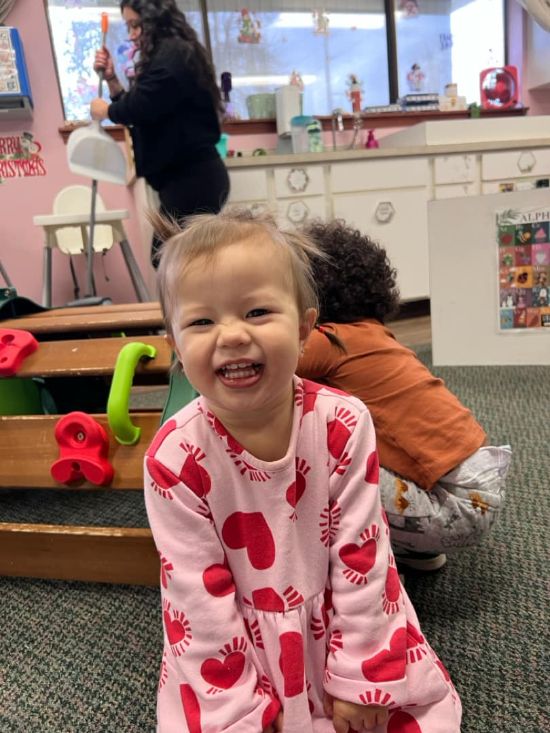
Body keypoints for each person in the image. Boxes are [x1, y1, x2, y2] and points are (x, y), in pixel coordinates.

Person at [144, 209, 462, 732]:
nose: (231, 335)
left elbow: (365, 560)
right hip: (237, 648)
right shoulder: (172, 459)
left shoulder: (343, 422)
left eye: (258, 311)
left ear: (306, 329)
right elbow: (196, 601)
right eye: (202, 321)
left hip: (342, 617)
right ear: (177, 347)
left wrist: (363, 675)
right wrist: (239, 711)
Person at [297, 219, 511, 571]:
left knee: (304, 451)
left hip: (451, 506)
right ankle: (414, 547)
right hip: (474, 491)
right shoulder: (372, 334)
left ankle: (355, 563)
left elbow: (270, 361)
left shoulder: (332, 340)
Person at [91, 0, 230, 267]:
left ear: (154, 19)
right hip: (187, 181)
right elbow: (145, 110)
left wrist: (106, 110)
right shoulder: (170, 55)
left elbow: (139, 106)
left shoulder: (174, 54)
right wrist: (111, 79)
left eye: (135, 25)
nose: (132, 34)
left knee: (172, 260)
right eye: (129, 27)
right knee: (180, 262)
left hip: (193, 180)